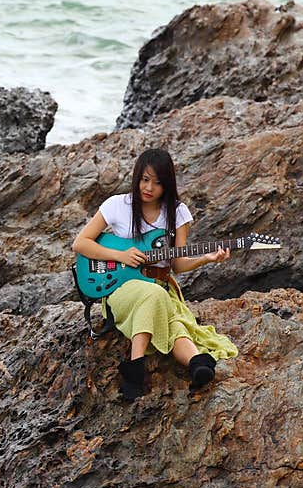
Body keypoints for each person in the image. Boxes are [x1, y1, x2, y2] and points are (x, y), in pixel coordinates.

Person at [72, 148, 238, 400]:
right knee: (155, 298)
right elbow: (80, 243)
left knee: (167, 311)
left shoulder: (177, 213)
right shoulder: (117, 205)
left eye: (157, 183)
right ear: (137, 177)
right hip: (118, 287)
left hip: (160, 285)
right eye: (144, 179)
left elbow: (178, 265)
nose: (148, 187)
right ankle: (140, 366)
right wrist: (120, 255)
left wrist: (206, 258)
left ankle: (195, 364)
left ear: (167, 185)